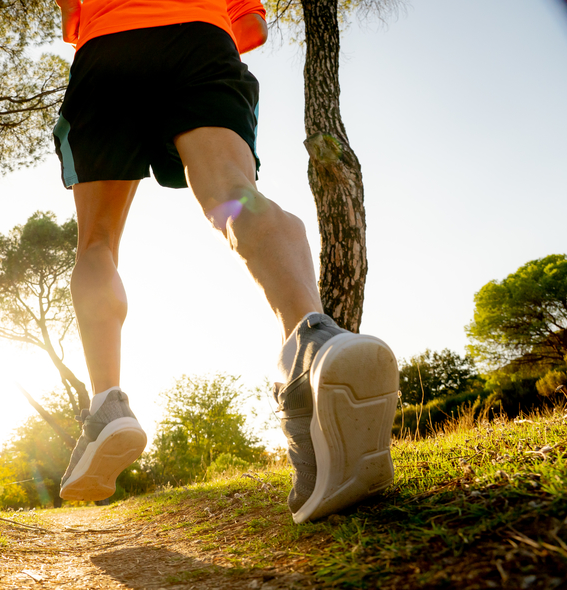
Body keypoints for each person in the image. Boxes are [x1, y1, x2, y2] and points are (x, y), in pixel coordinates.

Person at [52, 0, 399, 523]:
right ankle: (313, 343)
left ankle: (106, 407)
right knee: (233, 196)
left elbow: (70, 16)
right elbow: (253, 23)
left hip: (108, 49)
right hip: (200, 40)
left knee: (97, 243)